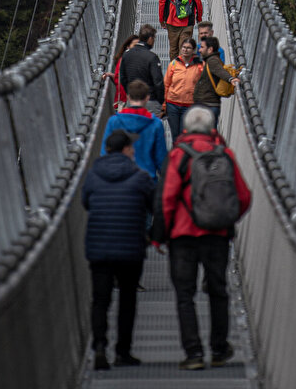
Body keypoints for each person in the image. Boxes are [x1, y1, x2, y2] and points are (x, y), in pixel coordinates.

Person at [158, 107, 251, 370]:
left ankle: (194, 353)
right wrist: (225, 219)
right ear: (212, 129)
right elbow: (243, 196)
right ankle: (220, 349)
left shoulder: (178, 155)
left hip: (183, 235)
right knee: (218, 291)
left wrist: (162, 234)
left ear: (185, 129)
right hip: (217, 235)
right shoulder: (226, 154)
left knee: (185, 294)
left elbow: (167, 197)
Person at [83, 129, 154, 370]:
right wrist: (156, 236)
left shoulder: (93, 175)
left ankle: (100, 346)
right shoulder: (140, 176)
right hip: (130, 247)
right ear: (125, 150)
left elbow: (85, 202)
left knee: (100, 300)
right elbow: (154, 205)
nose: (133, 151)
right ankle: (123, 351)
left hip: (99, 246)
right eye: (131, 147)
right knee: (127, 299)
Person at [102, 80, 167, 179]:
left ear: (128, 97)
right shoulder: (155, 124)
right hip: (146, 179)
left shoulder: (114, 121)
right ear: (147, 98)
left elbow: (105, 152)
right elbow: (161, 158)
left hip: (119, 177)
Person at [119, 24, 165, 116]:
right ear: (150, 39)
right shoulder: (152, 57)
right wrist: (161, 100)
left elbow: (123, 78)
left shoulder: (126, 55)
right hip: (150, 101)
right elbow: (158, 82)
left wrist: (130, 93)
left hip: (132, 100)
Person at [193, 36, 237, 126]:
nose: (200, 50)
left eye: (202, 47)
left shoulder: (212, 61)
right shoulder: (212, 59)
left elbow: (220, 71)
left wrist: (231, 79)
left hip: (208, 106)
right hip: (208, 105)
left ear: (210, 49)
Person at [163, 37, 201, 142]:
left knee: (184, 135)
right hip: (172, 104)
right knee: (175, 135)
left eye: (188, 48)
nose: (185, 50)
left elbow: (202, 85)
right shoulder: (174, 64)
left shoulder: (199, 66)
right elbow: (166, 84)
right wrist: (164, 104)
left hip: (189, 105)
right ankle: (177, 156)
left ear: (193, 50)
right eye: (183, 47)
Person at [102, 34, 139, 110]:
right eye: (135, 45)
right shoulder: (128, 61)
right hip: (127, 102)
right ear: (128, 46)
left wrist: (112, 75)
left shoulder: (123, 59)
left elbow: (119, 78)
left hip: (123, 102)